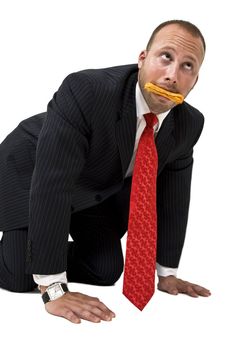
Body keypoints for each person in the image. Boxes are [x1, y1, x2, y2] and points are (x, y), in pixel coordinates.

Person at [0, 19, 211, 324]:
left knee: (106, 270)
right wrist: (53, 286)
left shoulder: (189, 124)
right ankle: (28, 256)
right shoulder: (87, 91)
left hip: (90, 188)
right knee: (21, 274)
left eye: (187, 66)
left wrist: (167, 273)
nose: (172, 75)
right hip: (30, 173)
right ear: (142, 59)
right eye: (166, 57)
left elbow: (173, 198)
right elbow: (52, 183)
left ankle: (44, 248)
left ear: (196, 80)